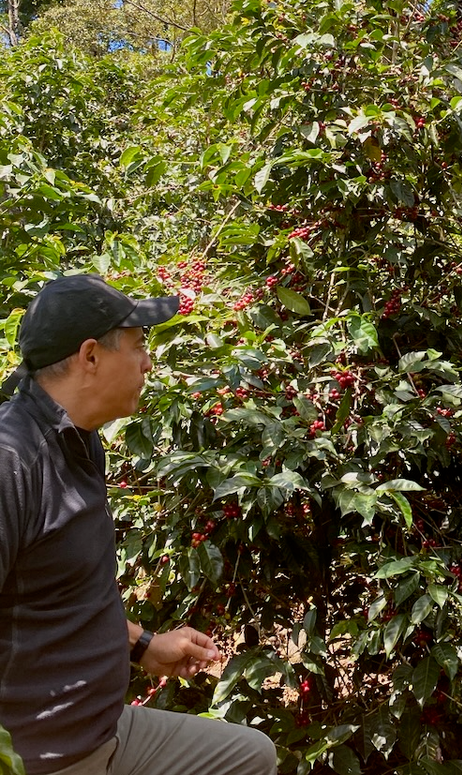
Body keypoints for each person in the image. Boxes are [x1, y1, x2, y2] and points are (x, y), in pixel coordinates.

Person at [0, 274, 277, 775]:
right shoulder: (11, 464)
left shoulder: (79, 440)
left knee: (250, 755)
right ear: (90, 356)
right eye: (138, 345)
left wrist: (144, 645)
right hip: (47, 755)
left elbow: (56, 598)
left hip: (102, 730)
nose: (148, 362)